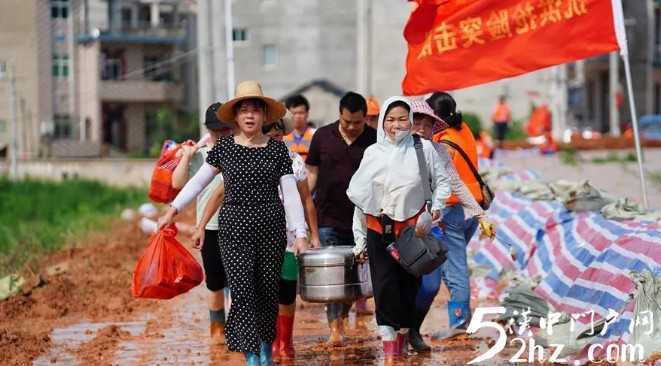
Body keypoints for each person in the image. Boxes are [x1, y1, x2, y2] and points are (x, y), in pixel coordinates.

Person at [157, 81, 308, 366]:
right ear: (236, 116)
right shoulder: (225, 148)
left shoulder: (277, 152)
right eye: (244, 110)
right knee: (242, 292)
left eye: (255, 110)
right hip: (234, 231)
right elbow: (199, 182)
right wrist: (173, 209)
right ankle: (251, 356)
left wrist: (300, 233)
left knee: (267, 292)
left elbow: (290, 196)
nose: (250, 116)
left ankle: (265, 349)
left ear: (265, 116)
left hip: (271, 229)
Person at [347, 96, 451, 361]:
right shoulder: (372, 153)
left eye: (402, 118)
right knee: (384, 289)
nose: (397, 125)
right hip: (378, 231)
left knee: (408, 289)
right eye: (390, 119)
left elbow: (442, 182)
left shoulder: (424, 149)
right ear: (382, 122)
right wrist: (359, 239)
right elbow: (360, 200)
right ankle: (390, 351)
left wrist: (434, 211)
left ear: (411, 120)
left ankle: (402, 339)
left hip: (412, 234)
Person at [408, 99, 492, 352]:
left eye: (428, 122)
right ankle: (401, 332)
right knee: (430, 272)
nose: (422, 127)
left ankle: (455, 322)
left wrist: (482, 217)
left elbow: (454, 183)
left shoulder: (441, 146)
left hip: (448, 213)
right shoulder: (463, 129)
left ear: (436, 122)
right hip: (460, 211)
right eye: (417, 121)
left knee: (443, 272)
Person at [305, 91, 377, 346]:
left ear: (364, 118)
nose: (352, 127)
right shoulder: (322, 137)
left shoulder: (374, 140)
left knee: (353, 277)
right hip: (327, 218)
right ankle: (336, 329)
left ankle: (343, 317)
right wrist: (303, 208)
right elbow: (311, 175)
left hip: (362, 221)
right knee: (334, 277)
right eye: (347, 122)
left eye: (358, 122)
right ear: (340, 115)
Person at [171, 102, 234, 346]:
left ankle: (237, 328)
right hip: (209, 227)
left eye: (225, 129)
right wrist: (186, 157)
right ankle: (217, 329)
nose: (221, 134)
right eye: (216, 130)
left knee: (238, 280)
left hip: (236, 224)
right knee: (215, 281)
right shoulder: (200, 155)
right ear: (209, 129)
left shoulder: (239, 150)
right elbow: (178, 185)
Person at [428, 92, 489, 341]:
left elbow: (447, 181)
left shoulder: (443, 142)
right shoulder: (463, 130)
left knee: (454, 269)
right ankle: (462, 317)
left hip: (452, 209)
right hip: (471, 207)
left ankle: (460, 323)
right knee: (454, 265)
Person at [283, 94, 316, 161]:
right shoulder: (281, 136)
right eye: (294, 113)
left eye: (301, 113)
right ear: (288, 114)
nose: (297, 116)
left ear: (307, 113)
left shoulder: (316, 135)